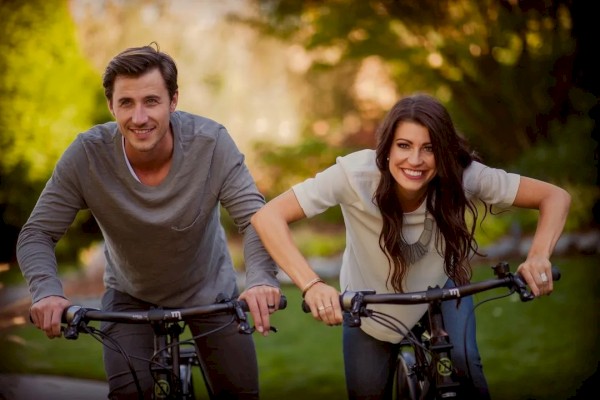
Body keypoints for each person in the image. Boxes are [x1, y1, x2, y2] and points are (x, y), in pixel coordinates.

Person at [251, 93, 571, 399]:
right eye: (404, 145)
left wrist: (538, 256)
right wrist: (312, 285)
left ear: (443, 152)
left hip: (441, 289)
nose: (415, 160)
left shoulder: (462, 176)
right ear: (388, 147)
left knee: (465, 365)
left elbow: (554, 197)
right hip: (368, 302)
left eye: (429, 148)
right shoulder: (354, 175)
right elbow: (268, 217)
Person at [16, 43, 282, 400]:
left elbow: (255, 219)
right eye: (126, 103)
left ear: (173, 100)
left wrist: (261, 280)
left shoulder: (211, 143)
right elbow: (38, 232)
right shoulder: (87, 155)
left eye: (151, 101)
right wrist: (47, 291)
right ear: (111, 105)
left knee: (240, 393)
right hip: (130, 295)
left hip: (210, 291)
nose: (139, 118)